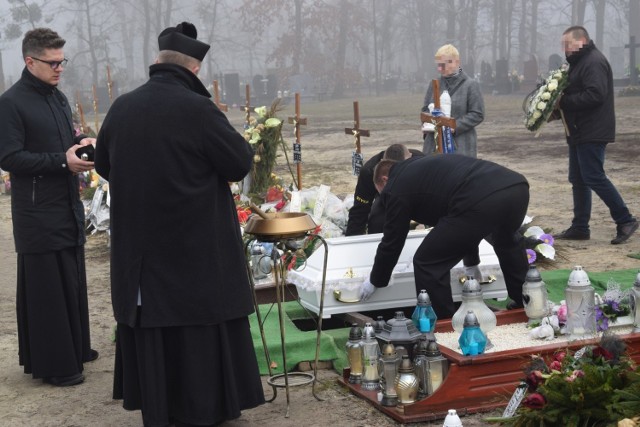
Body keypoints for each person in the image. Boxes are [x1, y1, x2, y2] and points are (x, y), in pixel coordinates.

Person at [94, 22, 265, 426]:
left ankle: (159, 406)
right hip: (194, 249)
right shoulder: (198, 109)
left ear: (157, 63)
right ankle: (207, 408)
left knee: (155, 325)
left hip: (141, 250)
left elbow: (103, 164)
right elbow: (239, 162)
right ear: (193, 70)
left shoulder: (123, 107)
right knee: (197, 327)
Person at [0, 28, 98, 387]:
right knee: (48, 290)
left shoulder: (57, 98)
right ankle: (56, 364)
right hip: (37, 212)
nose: (60, 68)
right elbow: (9, 156)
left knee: (70, 280)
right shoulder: (11, 103)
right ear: (30, 61)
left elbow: (61, 140)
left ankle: (75, 348)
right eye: (53, 63)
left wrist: (80, 141)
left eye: (62, 61)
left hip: (66, 204)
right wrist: (62, 162)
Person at [358, 155, 530, 319]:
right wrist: (471, 262)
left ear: (384, 180)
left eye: (381, 194)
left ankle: (444, 325)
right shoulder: (421, 169)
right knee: (507, 243)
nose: (384, 198)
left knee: (427, 263)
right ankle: (528, 303)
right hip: (516, 188)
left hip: (480, 198)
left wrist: (376, 279)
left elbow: (392, 240)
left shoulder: (395, 187)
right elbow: (463, 220)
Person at [553, 26, 638, 244]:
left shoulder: (593, 61)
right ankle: (580, 227)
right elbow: (574, 93)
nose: (564, 48)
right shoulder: (578, 63)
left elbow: (595, 95)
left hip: (592, 130)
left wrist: (564, 102)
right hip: (578, 130)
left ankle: (625, 219)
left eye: (567, 44)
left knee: (593, 176)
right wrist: (554, 109)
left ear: (581, 41)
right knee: (578, 179)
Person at [421, 44, 484, 157]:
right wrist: (428, 124)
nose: (443, 67)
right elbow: (425, 109)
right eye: (440, 64)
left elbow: (477, 114)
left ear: (457, 62)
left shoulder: (470, 85)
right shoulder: (434, 85)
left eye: (448, 62)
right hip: (434, 145)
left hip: (461, 146)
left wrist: (454, 126)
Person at [345, 143, 422, 236]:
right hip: (386, 198)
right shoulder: (369, 171)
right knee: (376, 221)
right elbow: (360, 210)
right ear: (382, 162)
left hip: (416, 195)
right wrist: (351, 242)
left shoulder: (421, 161)